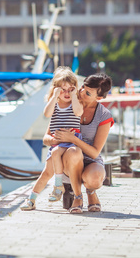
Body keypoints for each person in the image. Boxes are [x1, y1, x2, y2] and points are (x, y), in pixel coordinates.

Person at [48, 72, 114, 213]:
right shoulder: (66, 102)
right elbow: (45, 138)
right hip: (67, 160)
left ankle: (91, 192)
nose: (82, 92)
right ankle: (78, 196)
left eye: (88, 93)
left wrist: (73, 139)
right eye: (83, 87)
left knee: (95, 178)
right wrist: (56, 139)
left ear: (99, 98)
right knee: (74, 151)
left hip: (90, 160)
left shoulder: (104, 115)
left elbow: (95, 152)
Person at [20, 66, 83, 211]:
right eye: (63, 89)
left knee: (55, 154)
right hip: (57, 142)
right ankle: (32, 199)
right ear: (56, 90)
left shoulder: (75, 103)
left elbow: (79, 112)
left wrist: (74, 96)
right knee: (46, 172)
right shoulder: (54, 104)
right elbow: (46, 114)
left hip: (70, 142)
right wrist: (54, 96)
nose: (66, 92)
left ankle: (58, 185)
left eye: (70, 89)